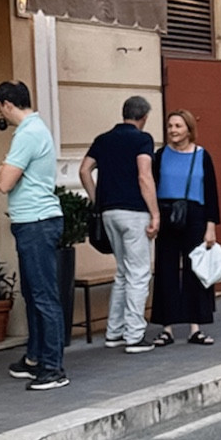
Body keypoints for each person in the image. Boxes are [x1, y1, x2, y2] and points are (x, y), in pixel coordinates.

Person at [0, 80, 68, 392]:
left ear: (8, 105)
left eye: (0, 107)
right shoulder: (34, 129)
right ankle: (36, 357)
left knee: (43, 296)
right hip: (33, 221)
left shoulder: (28, 133)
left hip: (36, 223)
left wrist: (0, 169)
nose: (0, 112)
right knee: (34, 293)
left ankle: (53, 367)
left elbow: (5, 182)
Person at [80, 94, 160, 353]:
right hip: (134, 212)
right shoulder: (142, 139)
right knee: (138, 274)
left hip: (108, 213)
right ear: (144, 117)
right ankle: (134, 336)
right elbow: (144, 176)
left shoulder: (103, 139)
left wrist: (97, 200)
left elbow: (84, 170)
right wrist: (155, 213)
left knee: (123, 273)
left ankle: (113, 332)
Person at [148, 109, 221, 346]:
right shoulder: (160, 156)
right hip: (168, 214)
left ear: (189, 129)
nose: (173, 130)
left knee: (195, 270)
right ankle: (166, 328)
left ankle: (195, 327)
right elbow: (152, 185)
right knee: (166, 270)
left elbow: (211, 193)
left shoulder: (202, 156)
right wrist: (154, 216)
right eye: (170, 126)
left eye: (178, 126)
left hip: (195, 215)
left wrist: (211, 226)